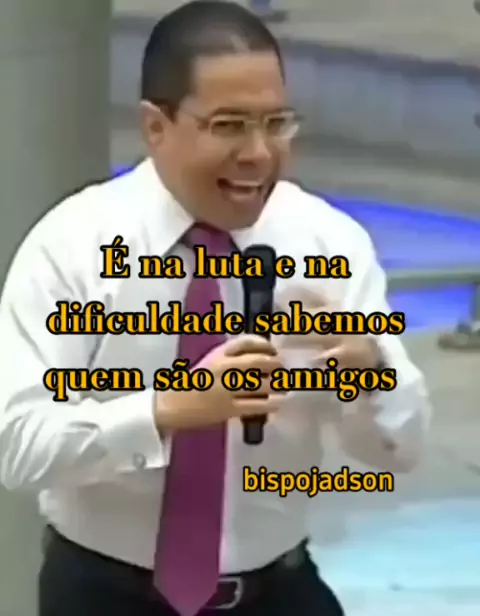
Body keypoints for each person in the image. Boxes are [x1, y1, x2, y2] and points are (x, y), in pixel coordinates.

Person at [0, 2, 431, 615]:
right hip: (106, 595)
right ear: (156, 126)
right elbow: (17, 446)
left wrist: (371, 374)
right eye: (229, 126)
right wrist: (167, 410)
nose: (258, 153)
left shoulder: (327, 243)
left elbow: (400, 450)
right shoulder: (72, 246)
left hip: (278, 591)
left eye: (276, 123)